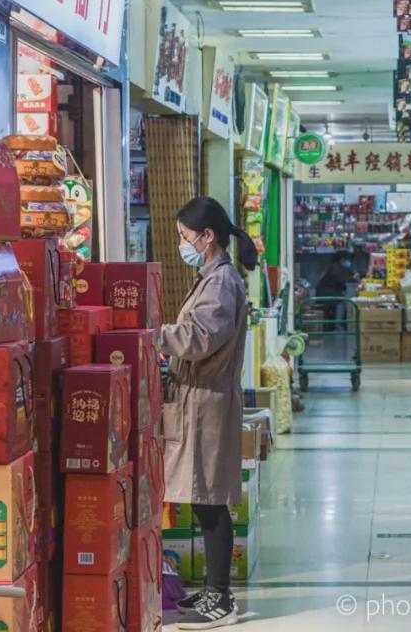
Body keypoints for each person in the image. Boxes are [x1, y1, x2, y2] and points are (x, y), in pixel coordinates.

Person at [159, 196, 258, 630]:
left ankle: (220, 598)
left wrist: (152, 333)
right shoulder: (211, 277)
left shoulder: (220, 282)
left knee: (211, 501)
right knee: (203, 498)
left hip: (208, 404)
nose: (183, 244)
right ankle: (215, 590)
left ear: (207, 236)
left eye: (185, 237)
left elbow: (198, 339)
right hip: (198, 400)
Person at [316, 250, 359, 329]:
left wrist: (353, 276)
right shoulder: (336, 268)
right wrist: (353, 277)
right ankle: (338, 324)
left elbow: (348, 275)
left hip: (327, 291)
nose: (348, 262)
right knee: (342, 302)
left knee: (341, 299)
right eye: (347, 260)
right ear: (342, 259)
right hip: (326, 292)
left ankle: (335, 324)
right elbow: (342, 279)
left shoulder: (337, 266)